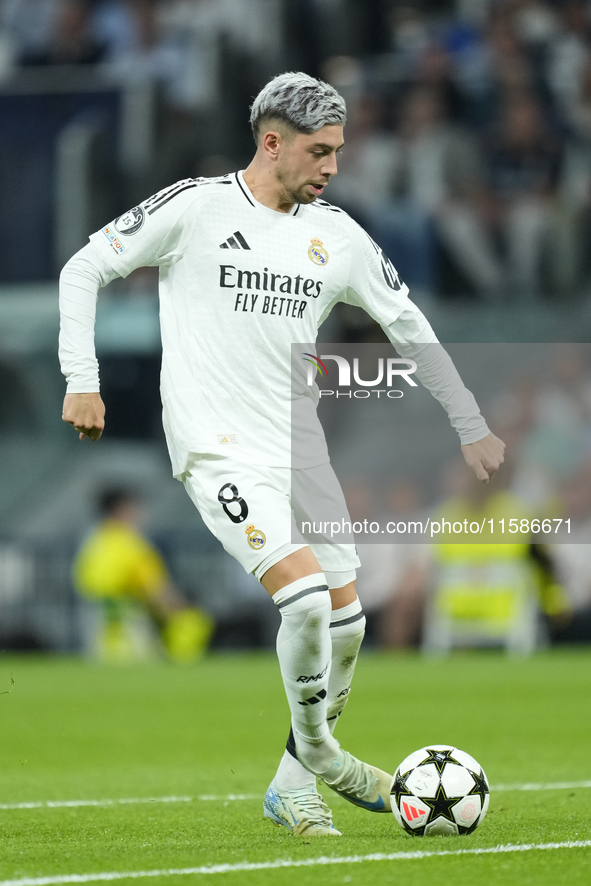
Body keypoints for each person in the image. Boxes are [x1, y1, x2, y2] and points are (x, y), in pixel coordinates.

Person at [59, 71, 505, 837]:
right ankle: (326, 760)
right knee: (300, 600)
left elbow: (409, 326)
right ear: (272, 142)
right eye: (320, 151)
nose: (333, 167)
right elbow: (84, 267)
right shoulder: (196, 208)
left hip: (300, 453)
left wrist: (470, 421)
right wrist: (81, 378)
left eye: (337, 150)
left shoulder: (337, 237)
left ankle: (289, 781)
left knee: (348, 624)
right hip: (218, 450)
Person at [73, 486, 213, 662]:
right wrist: (185, 613)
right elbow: (156, 589)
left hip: (95, 619)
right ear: (122, 509)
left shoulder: (94, 541)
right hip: (128, 619)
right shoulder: (132, 544)